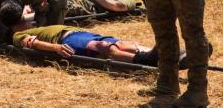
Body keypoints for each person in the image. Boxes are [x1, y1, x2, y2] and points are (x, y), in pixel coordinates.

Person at [12, 24, 158, 66]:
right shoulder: (17, 34)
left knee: (118, 43)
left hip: (78, 33)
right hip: (66, 39)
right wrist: (56, 48)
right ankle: (146, 60)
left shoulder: (37, 26)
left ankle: (160, 55)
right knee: (104, 48)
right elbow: (33, 43)